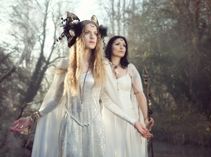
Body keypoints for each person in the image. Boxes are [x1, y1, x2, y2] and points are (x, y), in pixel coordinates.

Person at [10, 12, 152, 157]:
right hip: (71, 126)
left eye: (95, 33)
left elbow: (108, 100)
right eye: (87, 33)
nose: (92, 36)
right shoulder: (65, 65)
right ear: (78, 36)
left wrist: (134, 122)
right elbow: (56, 99)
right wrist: (32, 117)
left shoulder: (103, 65)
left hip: (95, 127)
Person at [101, 35, 154, 157]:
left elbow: (139, 94)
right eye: (117, 44)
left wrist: (145, 118)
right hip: (109, 116)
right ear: (110, 47)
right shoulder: (103, 67)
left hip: (131, 115)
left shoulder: (131, 68)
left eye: (124, 45)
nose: (121, 47)